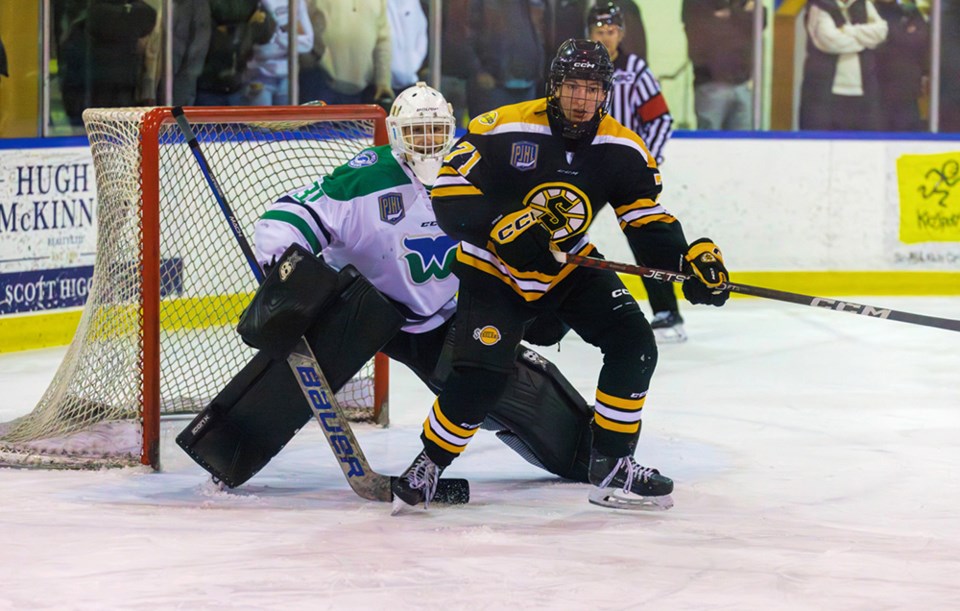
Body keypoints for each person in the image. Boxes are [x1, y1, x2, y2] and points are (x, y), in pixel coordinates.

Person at [392, 40, 730, 513]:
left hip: (565, 267)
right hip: (495, 269)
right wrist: (499, 227)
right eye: (572, 86)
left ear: (605, 94)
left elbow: (646, 223)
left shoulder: (623, 149)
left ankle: (611, 464)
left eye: (591, 89)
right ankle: (427, 465)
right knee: (481, 376)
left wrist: (687, 263)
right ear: (553, 86)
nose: (580, 99)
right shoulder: (501, 127)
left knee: (634, 343)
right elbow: (448, 194)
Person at [253, 82, 596, 485]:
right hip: (360, 309)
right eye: (418, 131)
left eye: (436, 130)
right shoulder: (369, 176)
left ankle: (584, 453)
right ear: (397, 132)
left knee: (506, 388)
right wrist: (284, 267)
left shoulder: (474, 170)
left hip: (443, 316)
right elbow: (293, 213)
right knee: (290, 381)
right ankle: (229, 441)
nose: (428, 142)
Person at [586, 3, 683, 342]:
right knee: (563, 233)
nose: (606, 37)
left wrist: (647, 157)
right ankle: (547, 309)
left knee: (646, 240)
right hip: (588, 170)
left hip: (627, 174)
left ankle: (667, 313)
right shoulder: (583, 71)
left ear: (621, 33)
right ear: (590, 34)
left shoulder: (634, 69)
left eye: (611, 31)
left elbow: (660, 118)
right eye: (600, 32)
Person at [56, 0, 158, 125]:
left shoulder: (82, 22)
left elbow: (69, 71)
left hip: (90, 101)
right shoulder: (132, 17)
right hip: (122, 93)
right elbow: (148, 15)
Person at [798, 0, 888, 131]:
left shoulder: (863, 4)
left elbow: (881, 31)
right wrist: (866, 42)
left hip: (863, 94)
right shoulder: (819, 5)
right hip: (824, 95)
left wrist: (847, 30)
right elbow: (830, 41)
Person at [682, 0, 764, 131]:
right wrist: (741, 14)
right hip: (711, 85)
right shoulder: (697, 3)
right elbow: (704, 30)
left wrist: (730, 15)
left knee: (745, 146)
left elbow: (761, 19)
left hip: (741, 84)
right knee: (709, 145)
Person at [462, 0, 546, 120]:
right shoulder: (481, 3)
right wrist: (479, 71)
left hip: (528, 83)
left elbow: (537, 32)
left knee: (522, 135)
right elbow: (465, 37)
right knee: (491, 133)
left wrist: (539, 68)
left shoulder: (528, 3)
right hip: (494, 85)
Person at [299, 0, 394, 106]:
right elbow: (299, 24)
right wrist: (311, 64)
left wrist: (383, 82)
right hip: (319, 83)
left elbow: (382, 40)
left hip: (363, 89)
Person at [196, 0, 276, 106]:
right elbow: (208, 37)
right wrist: (245, 30)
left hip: (239, 82)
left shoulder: (249, 4)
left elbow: (266, 32)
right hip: (206, 84)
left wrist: (239, 32)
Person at [873, 0, 930, 132]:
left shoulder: (911, 11)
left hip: (908, 93)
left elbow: (923, 42)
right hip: (876, 94)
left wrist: (926, 73)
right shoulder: (867, 12)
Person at [243, 0, 314, 106]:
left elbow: (307, 43)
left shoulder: (296, 2)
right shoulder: (259, 3)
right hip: (259, 75)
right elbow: (260, 45)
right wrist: (289, 36)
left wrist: (279, 36)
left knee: (287, 121)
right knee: (262, 121)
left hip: (288, 76)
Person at [387, 0, 428, 92]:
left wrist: (413, 64)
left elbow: (421, 34)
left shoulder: (412, 3)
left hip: (409, 81)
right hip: (378, 83)